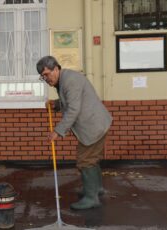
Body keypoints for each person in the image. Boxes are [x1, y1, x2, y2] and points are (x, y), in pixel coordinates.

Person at [36, 56, 112, 210]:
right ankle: (96, 189)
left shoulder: (70, 81)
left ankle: (91, 198)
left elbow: (73, 109)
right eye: (42, 76)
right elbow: (71, 101)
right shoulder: (64, 79)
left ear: (56, 69)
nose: (45, 79)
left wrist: (57, 131)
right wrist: (57, 104)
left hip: (93, 126)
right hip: (95, 123)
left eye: (47, 74)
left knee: (85, 160)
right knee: (92, 158)